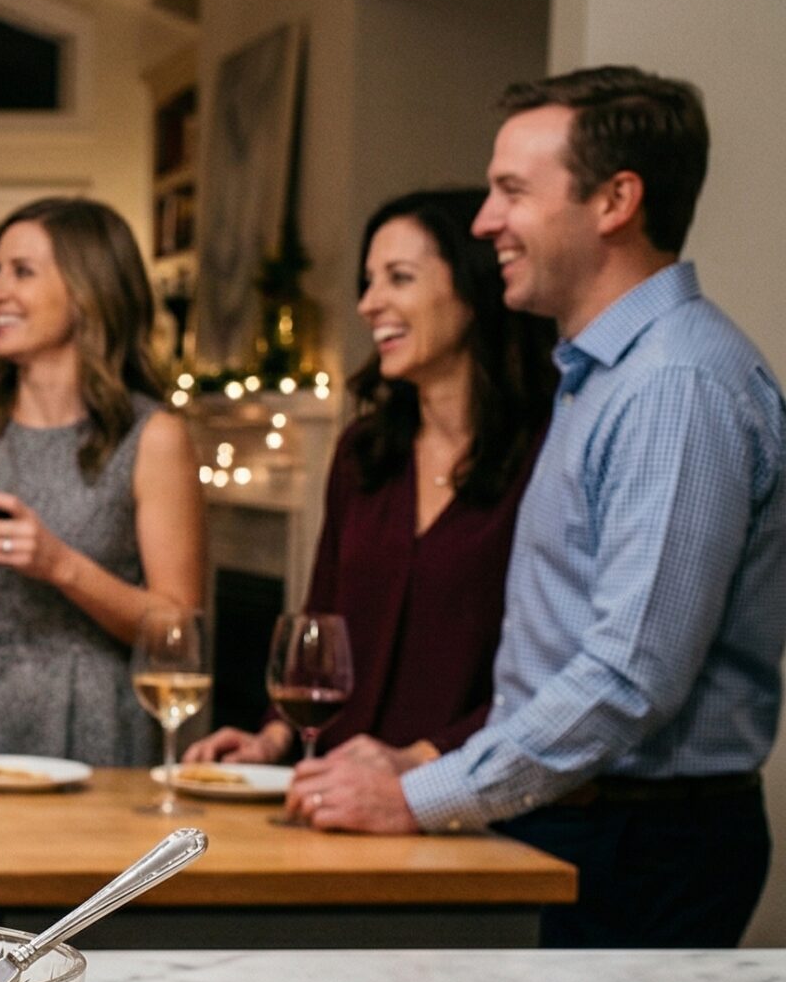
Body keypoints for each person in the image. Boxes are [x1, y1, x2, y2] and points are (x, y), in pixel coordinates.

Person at [289, 67, 785, 949]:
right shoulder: (600, 374)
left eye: (512, 191)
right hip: (574, 816)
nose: (486, 222)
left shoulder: (672, 385)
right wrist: (415, 762)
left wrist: (417, 795)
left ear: (615, 201)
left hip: (638, 839)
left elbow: (631, 676)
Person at [191, 189, 555, 768]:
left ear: (474, 286)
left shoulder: (549, 454)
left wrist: (415, 762)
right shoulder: (363, 454)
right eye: (369, 281)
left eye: (399, 278)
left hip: (473, 805)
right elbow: (319, 624)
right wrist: (271, 738)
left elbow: (549, 673)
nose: (369, 303)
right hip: (338, 796)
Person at [0, 198, 204, 767]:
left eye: (22, 272)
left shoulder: (152, 438)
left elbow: (179, 631)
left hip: (92, 717)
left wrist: (60, 566)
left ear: (88, 290)